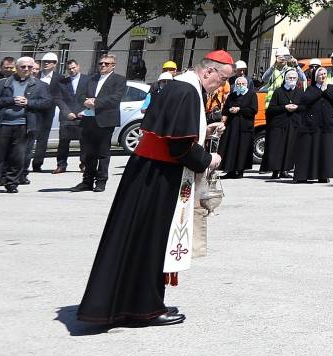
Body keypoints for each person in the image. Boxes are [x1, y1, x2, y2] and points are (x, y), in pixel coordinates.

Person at [78, 50, 234, 328]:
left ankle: (127, 304)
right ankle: (145, 309)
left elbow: (168, 131)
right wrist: (210, 159)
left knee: (136, 241)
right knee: (150, 243)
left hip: (146, 171)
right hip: (159, 176)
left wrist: (203, 132)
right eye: (222, 79)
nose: (221, 86)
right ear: (208, 71)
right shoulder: (187, 92)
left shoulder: (176, 85)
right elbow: (180, 147)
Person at [0, 56, 52, 194]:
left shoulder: (40, 85)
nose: (26, 69)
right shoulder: (4, 83)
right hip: (3, 124)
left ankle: (12, 183)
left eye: (30, 67)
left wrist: (28, 103)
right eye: (23, 67)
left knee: (18, 157)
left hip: (24, 125)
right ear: (17, 67)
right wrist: (11, 100)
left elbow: (46, 103)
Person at [73, 54, 127, 193]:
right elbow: (79, 95)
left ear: (113, 66)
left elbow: (115, 98)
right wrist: (85, 101)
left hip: (105, 121)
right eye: (101, 63)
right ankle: (87, 181)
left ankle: (101, 182)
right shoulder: (91, 79)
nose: (103, 66)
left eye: (106, 64)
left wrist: (96, 102)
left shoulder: (119, 80)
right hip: (88, 120)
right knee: (88, 153)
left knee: (103, 153)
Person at [293, 65, 333, 183]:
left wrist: (326, 90)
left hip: (328, 125)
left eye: (324, 74)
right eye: (320, 74)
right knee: (310, 150)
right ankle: (305, 175)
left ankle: (324, 175)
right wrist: (320, 91)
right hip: (313, 125)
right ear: (315, 77)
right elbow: (306, 99)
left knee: (325, 152)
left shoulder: (332, 88)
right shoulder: (311, 89)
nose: (323, 76)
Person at [262, 68, 302, 179]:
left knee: (290, 148)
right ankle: (275, 171)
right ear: (285, 78)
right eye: (290, 78)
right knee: (277, 148)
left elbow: (305, 106)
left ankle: (285, 170)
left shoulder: (299, 92)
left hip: (293, 124)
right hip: (279, 124)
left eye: (294, 78)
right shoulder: (278, 91)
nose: (292, 80)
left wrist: (297, 107)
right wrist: (284, 107)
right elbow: (271, 109)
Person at [218, 65, 257, 178]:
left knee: (242, 148)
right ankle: (229, 170)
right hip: (232, 126)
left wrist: (240, 109)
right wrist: (228, 112)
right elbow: (225, 109)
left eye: (242, 84)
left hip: (244, 126)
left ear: (246, 85)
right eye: (238, 84)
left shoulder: (251, 95)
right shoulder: (232, 95)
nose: (240, 86)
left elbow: (253, 110)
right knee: (230, 147)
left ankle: (240, 171)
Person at [29, 53, 61, 176]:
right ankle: (24, 163)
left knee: (43, 139)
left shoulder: (59, 78)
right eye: (44, 61)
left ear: (55, 64)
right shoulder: (35, 74)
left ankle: (37, 164)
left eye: (49, 61)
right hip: (33, 110)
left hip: (48, 112)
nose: (46, 63)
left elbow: (60, 95)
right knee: (30, 137)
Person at [53, 58, 84, 174]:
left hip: (83, 116)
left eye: (73, 68)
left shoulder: (88, 80)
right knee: (63, 142)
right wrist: (67, 112)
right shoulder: (62, 83)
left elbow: (91, 96)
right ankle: (61, 165)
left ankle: (84, 164)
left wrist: (84, 111)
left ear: (78, 66)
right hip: (67, 117)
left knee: (84, 142)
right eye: (69, 69)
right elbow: (58, 99)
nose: (71, 70)